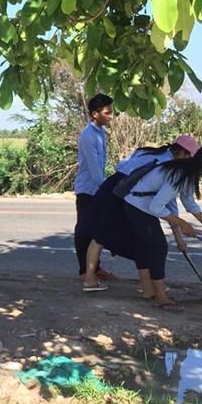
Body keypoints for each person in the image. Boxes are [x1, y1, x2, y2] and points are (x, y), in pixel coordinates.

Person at [82, 135, 202, 292]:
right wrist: (178, 236)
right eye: (190, 157)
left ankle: (146, 284)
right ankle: (90, 280)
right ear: (182, 153)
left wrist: (181, 234)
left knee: (134, 238)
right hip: (119, 192)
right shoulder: (168, 165)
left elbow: (121, 166)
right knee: (102, 236)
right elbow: (169, 203)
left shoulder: (153, 152)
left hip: (117, 187)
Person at [118, 145, 202, 311]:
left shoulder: (189, 172)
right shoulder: (181, 173)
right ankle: (160, 297)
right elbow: (156, 207)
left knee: (146, 247)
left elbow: (188, 200)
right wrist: (181, 223)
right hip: (138, 205)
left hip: (140, 204)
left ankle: (148, 291)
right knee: (159, 248)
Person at [73, 93, 115, 282]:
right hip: (87, 190)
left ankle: (95, 267)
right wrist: (108, 188)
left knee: (96, 230)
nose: (111, 116)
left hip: (97, 188)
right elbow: (94, 168)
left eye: (111, 111)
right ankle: (85, 271)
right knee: (84, 230)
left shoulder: (100, 133)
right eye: (107, 112)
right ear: (95, 114)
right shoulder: (88, 136)